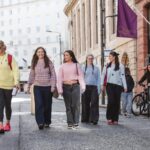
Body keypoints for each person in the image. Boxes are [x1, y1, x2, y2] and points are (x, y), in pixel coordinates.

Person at [28, 47, 56, 130]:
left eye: (42, 52)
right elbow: (32, 74)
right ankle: (40, 122)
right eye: (39, 52)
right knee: (39, 104)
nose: (41, 53)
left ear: (44, 53)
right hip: (37, 87)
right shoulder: (34, 62)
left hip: (48, 87)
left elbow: (53, 75)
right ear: (36, 53)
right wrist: (29, 84)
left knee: (47, 105)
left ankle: (47, 121)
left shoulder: (49, 62)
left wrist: (53, 86)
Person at [57, 50, 85, 129]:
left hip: (75, 86)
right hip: (66, 87)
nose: (65, 57)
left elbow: (81, 76)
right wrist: (60, 89)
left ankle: (76, 122)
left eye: (67, 55)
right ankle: (70, 122)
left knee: (76, 105)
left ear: (71, 56)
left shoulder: (76, 65)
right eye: (64, 55)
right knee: (68, 106)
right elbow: (59, 79)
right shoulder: (62, 66)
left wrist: (83, 86)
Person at [101, 51, 127, 125]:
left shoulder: (121, 66)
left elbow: (123, 76)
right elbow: (103, 75)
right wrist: (102, 84)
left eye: (110, 56)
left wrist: (125, 86)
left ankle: (115, 118)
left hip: (118, 86)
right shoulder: (107, 65)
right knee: (111, 101)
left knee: (116, 102)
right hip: (109, 85)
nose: (109, 57)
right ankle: (109, 118)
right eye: (109, 56)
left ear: (114, 57)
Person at [0, 40, 20, 134]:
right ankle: (0, 124)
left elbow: (15, 70)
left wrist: (16, 82)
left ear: (3, 48)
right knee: (0, 104)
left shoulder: (10, 57)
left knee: (7, 105)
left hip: (8, 85)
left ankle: (7, 123)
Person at [81, 54, 100, 125]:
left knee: (94, 103)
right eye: (89, 58)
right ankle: (85, 118)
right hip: (85, 87)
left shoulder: (96, 68)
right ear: (86, 59)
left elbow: (98, 79)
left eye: (91, 58)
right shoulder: (83, 68)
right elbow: (81, 78)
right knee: (85, 103)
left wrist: (99, 89)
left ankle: (94, 119)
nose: (90, 60)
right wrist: (82, 88)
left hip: (94, 87)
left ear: (93, 59)